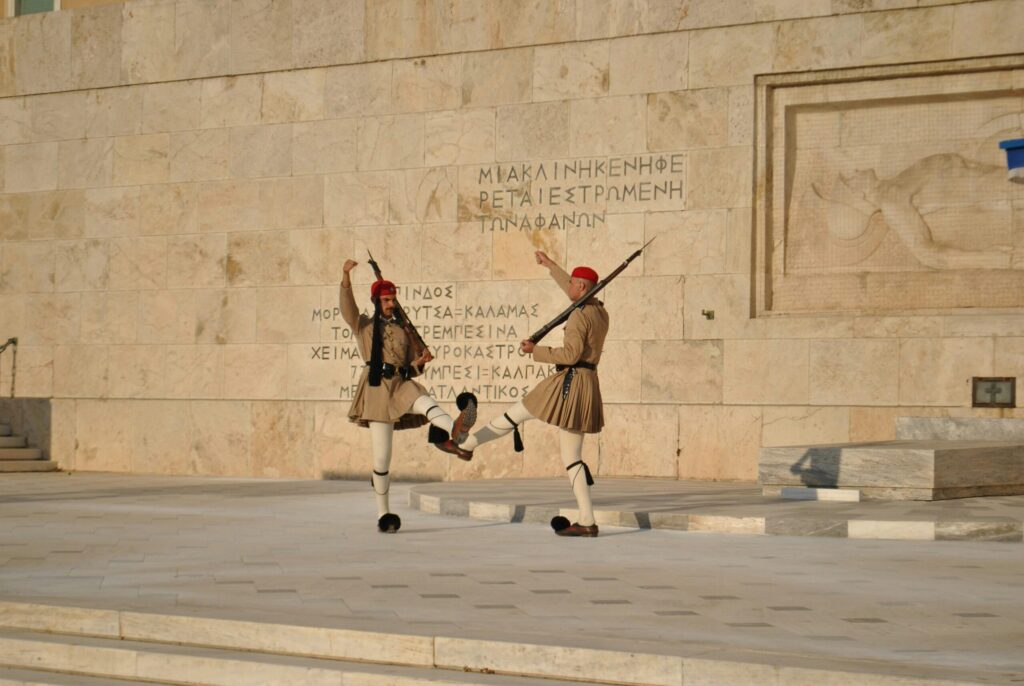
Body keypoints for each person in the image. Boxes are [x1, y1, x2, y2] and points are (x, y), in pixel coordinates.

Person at [446, 251, 608, 537]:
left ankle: (467, 445)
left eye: (572, 282)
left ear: (581, 288)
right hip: (587, 383)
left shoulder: (580, 317)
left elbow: (570, 354)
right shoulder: (599, 311)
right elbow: (573, 289)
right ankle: (587, 520)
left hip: (568, 384)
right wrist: (551, 267)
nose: (568, 285)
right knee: (570, 456)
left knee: (515, 415)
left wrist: (536, 351)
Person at [340, 259, 476, 533]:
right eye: (387, 299)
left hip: (401, 384)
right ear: (377, 301)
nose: (391, 303)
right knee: (381, 460)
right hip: (377, 388)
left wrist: (420, 361)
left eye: (393, 299)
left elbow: (410, 368)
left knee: (425, 400)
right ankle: (384, 514)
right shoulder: (364, 326)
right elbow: (347, 308)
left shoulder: (403, 331)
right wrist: (345, 276)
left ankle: (454, 430)